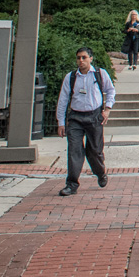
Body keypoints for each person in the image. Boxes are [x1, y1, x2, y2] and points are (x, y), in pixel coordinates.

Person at [55, 47, 115, 196]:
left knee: (94, 151)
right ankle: (72, 184)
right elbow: (63, 100)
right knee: (74, 150)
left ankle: (100, 173)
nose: (80, 61)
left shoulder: (100, 74)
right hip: (76, 118)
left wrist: (107, 109)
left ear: (91, 58)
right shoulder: (71, 77)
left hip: (94, 117)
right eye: (78, 58)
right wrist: (61, 122)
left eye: (84, 57)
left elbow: (111, 90)